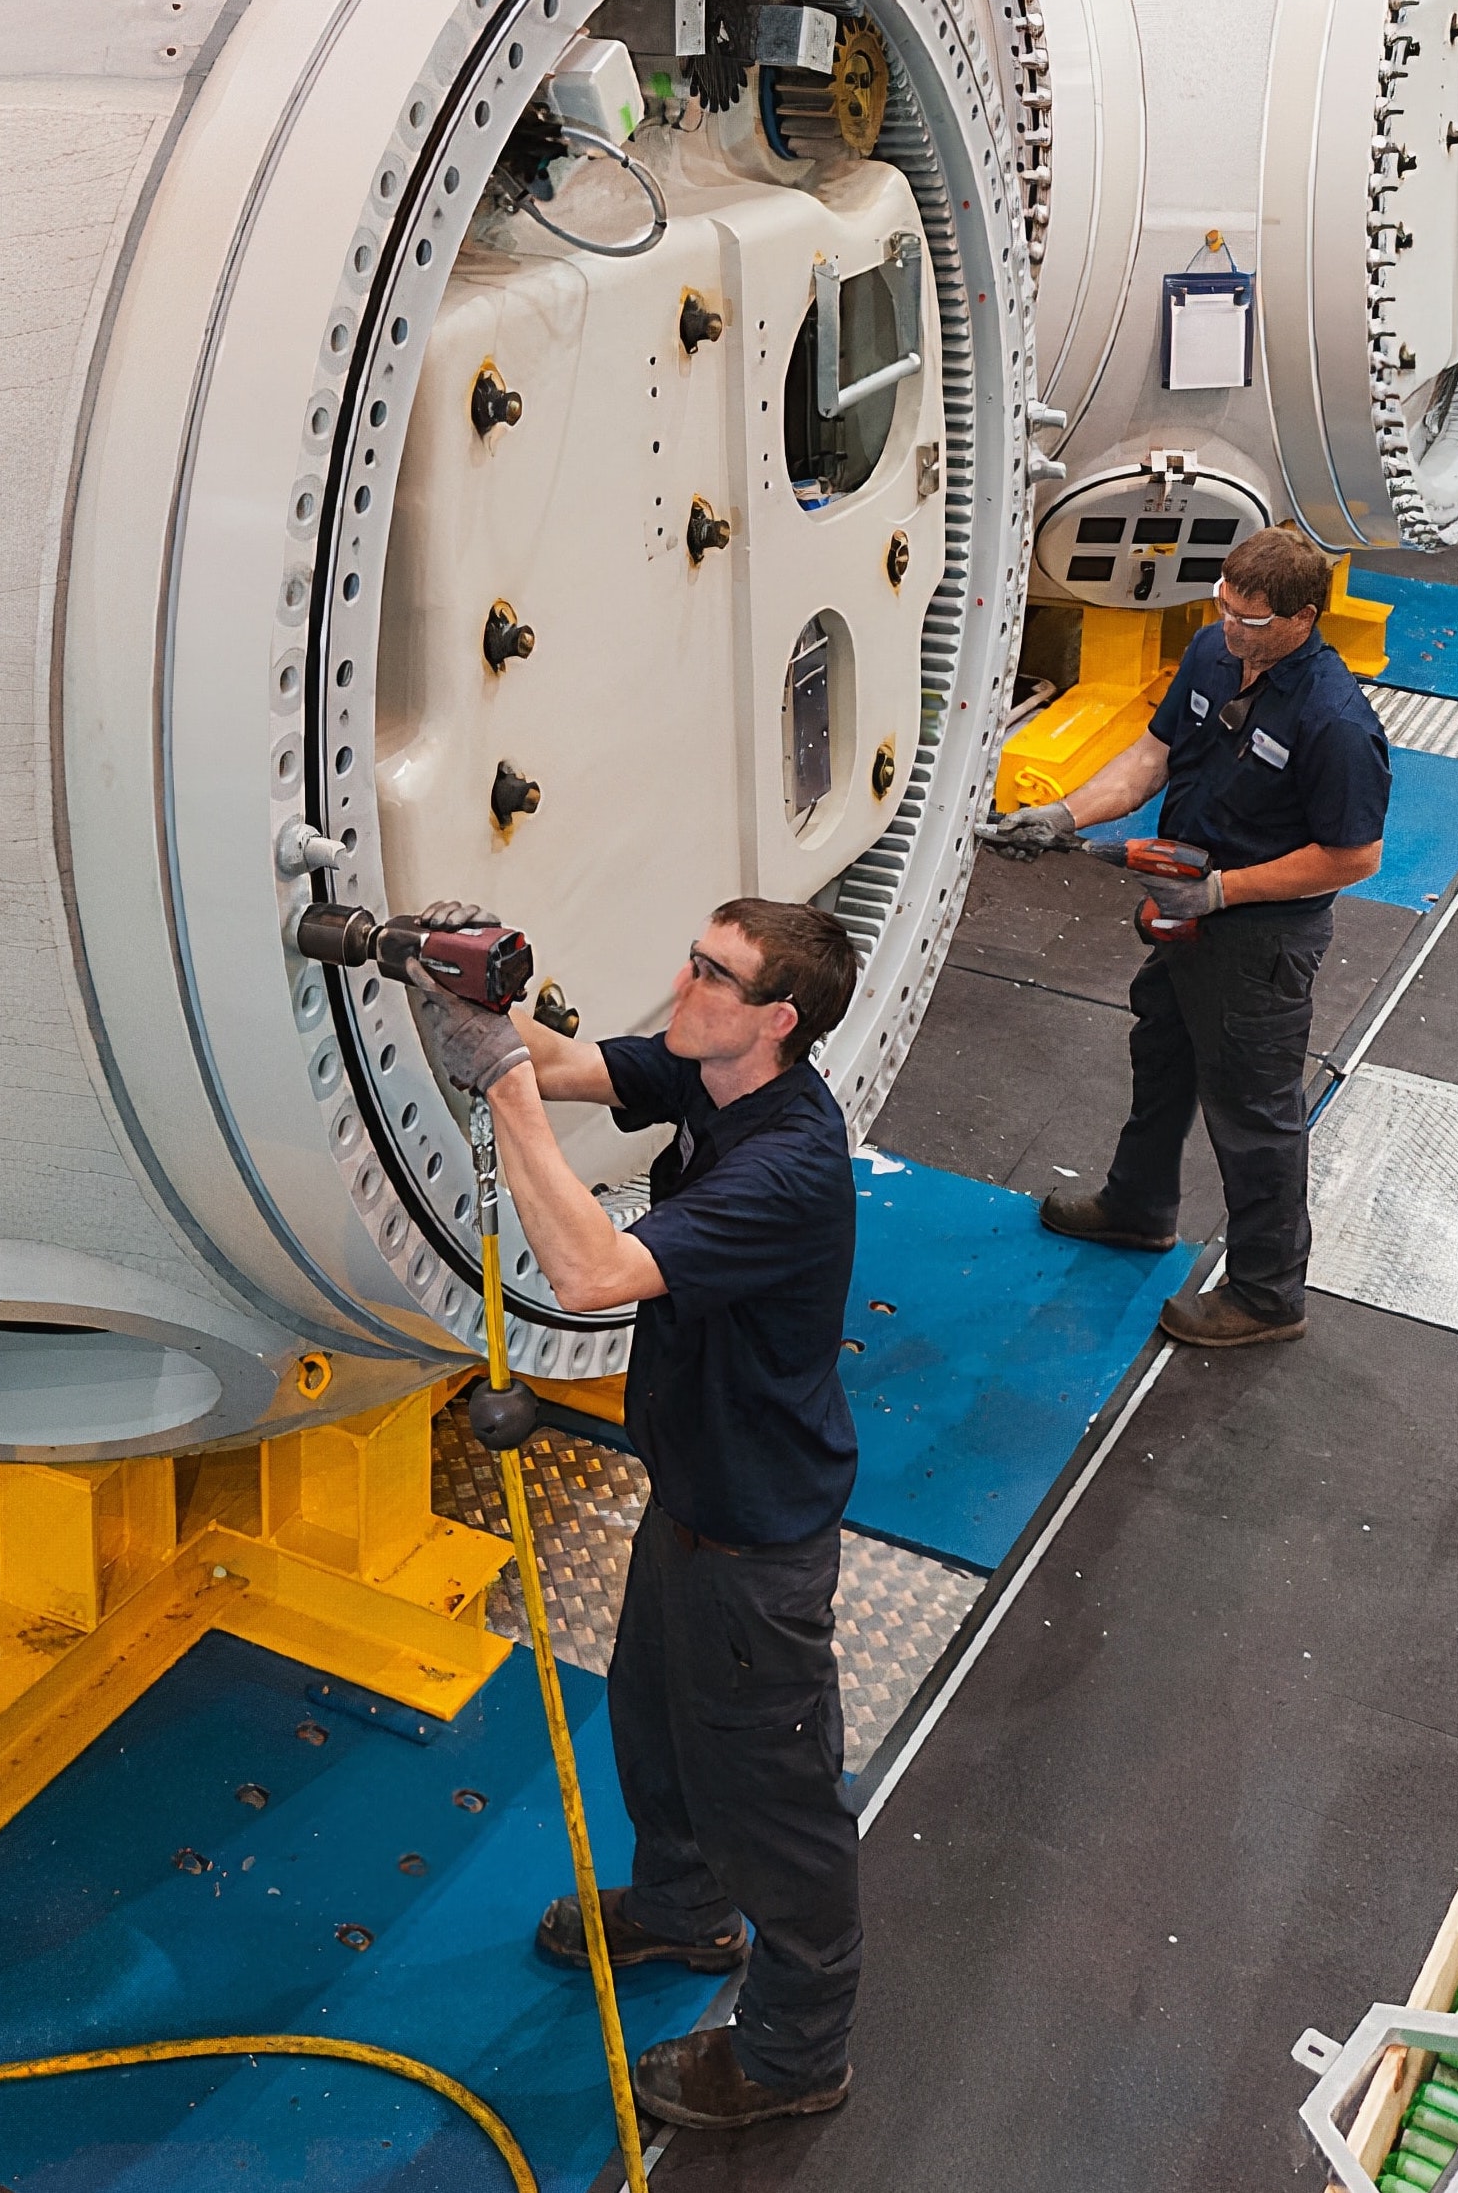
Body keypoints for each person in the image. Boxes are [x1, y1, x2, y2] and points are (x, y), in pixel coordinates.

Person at [409, 896, 864, 2134]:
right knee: (658, 1730)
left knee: (777, 1808)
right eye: (692, 955)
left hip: (758, 1538)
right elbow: (569, 1065)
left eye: (713, 975)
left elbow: (594, 1276)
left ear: (777, 1019)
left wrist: (499, 1091)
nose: (684, 982)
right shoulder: (714, 1072)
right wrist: (464, 997)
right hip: (694, 1498)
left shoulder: (791, 1162)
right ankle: (679, 1909)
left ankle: (792, 2056)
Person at [987, 525, 1390, 1347]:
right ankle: (1138, 1206)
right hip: (1185, 914)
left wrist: (1221, 891)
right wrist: (1065, 812)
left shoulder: (1333, 721)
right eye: (1223, 606)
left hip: (1259, 941)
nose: (1228, 627)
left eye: (1248, 617)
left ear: (1300, 618)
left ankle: (1267, 1296)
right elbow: (1152, 755)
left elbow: (1353, 855)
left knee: (1253, 1113)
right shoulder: (1210, 654)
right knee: (1161, 1058)